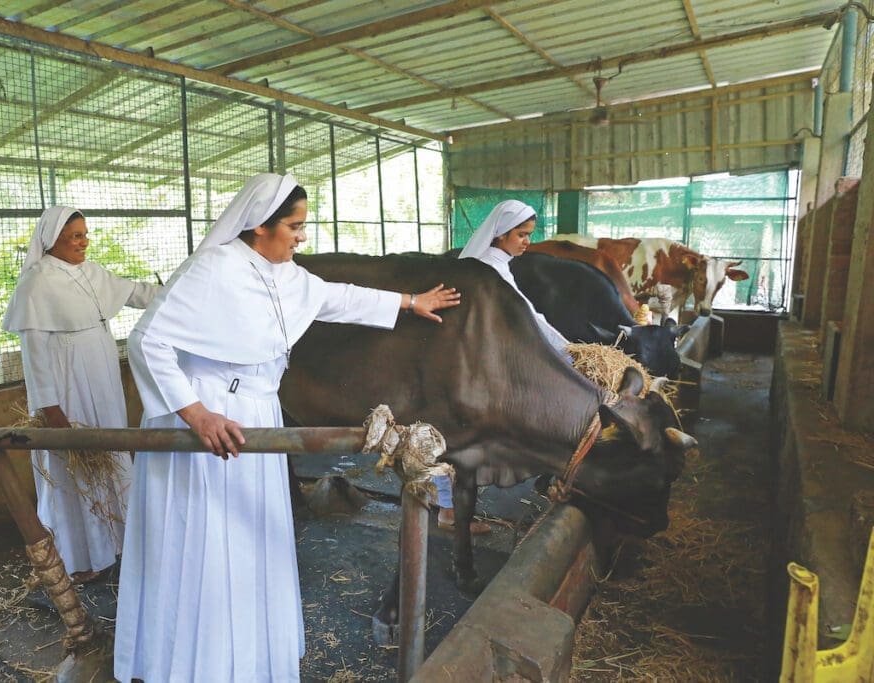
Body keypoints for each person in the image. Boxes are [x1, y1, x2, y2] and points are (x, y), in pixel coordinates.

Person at [113, 173, 461, 682]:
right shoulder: (212, 269)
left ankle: (250, 654)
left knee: (252, 534)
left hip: (259, 413)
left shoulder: (289, 276)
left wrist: (410, 302)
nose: (302, 236)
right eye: (295, 226)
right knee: (209, 541)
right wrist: (197, 414)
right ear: (259, 226)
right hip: (211, 419)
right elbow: (147, 342)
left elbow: (341, 297)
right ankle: (195, 661)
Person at [2, 206, 160, 584]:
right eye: (75, 236)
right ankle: (83, 556)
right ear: (51, 239)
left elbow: (137, 293)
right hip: (67, 385)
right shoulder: (36, 284)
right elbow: (35, 356)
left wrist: (184, 292)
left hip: (101, 378)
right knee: (76, 465)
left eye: (85, 234)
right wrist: (50, 408)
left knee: (111, 451)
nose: (83, 241)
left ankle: (120, 541)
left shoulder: (91, 272)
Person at [433, 200, 572, 534]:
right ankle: (450, 512)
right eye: (521, 235)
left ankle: (443, 503)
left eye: (528, 235)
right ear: (500, 234)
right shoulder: (490, 268)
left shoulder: (494, 263)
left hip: (471, 357)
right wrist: (567, 350)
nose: (527, 242)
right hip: (475, 363)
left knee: (450, 432)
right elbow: (526, 315)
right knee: (461, 434)